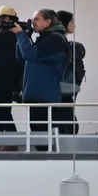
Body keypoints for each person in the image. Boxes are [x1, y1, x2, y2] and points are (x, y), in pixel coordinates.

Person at [14, 9, 70, 149]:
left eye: (36, 19)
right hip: (35, 96)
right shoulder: (44, 38)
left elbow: (29, 54)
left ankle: (51, 164)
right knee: (38, 137)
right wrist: (23, 36)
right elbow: (20, 56)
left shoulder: (55, 39)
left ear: (48, 22)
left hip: (45, 98)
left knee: (45, 138)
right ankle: (46, 162)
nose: (33, 22)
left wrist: (20, 34)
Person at [56, 10, 86, 136]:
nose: (74, 25)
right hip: (62, 89)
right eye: (72, 22)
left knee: (67, 124)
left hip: (62, 89)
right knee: (68, 125)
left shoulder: (60, 42)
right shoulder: (59, 43)